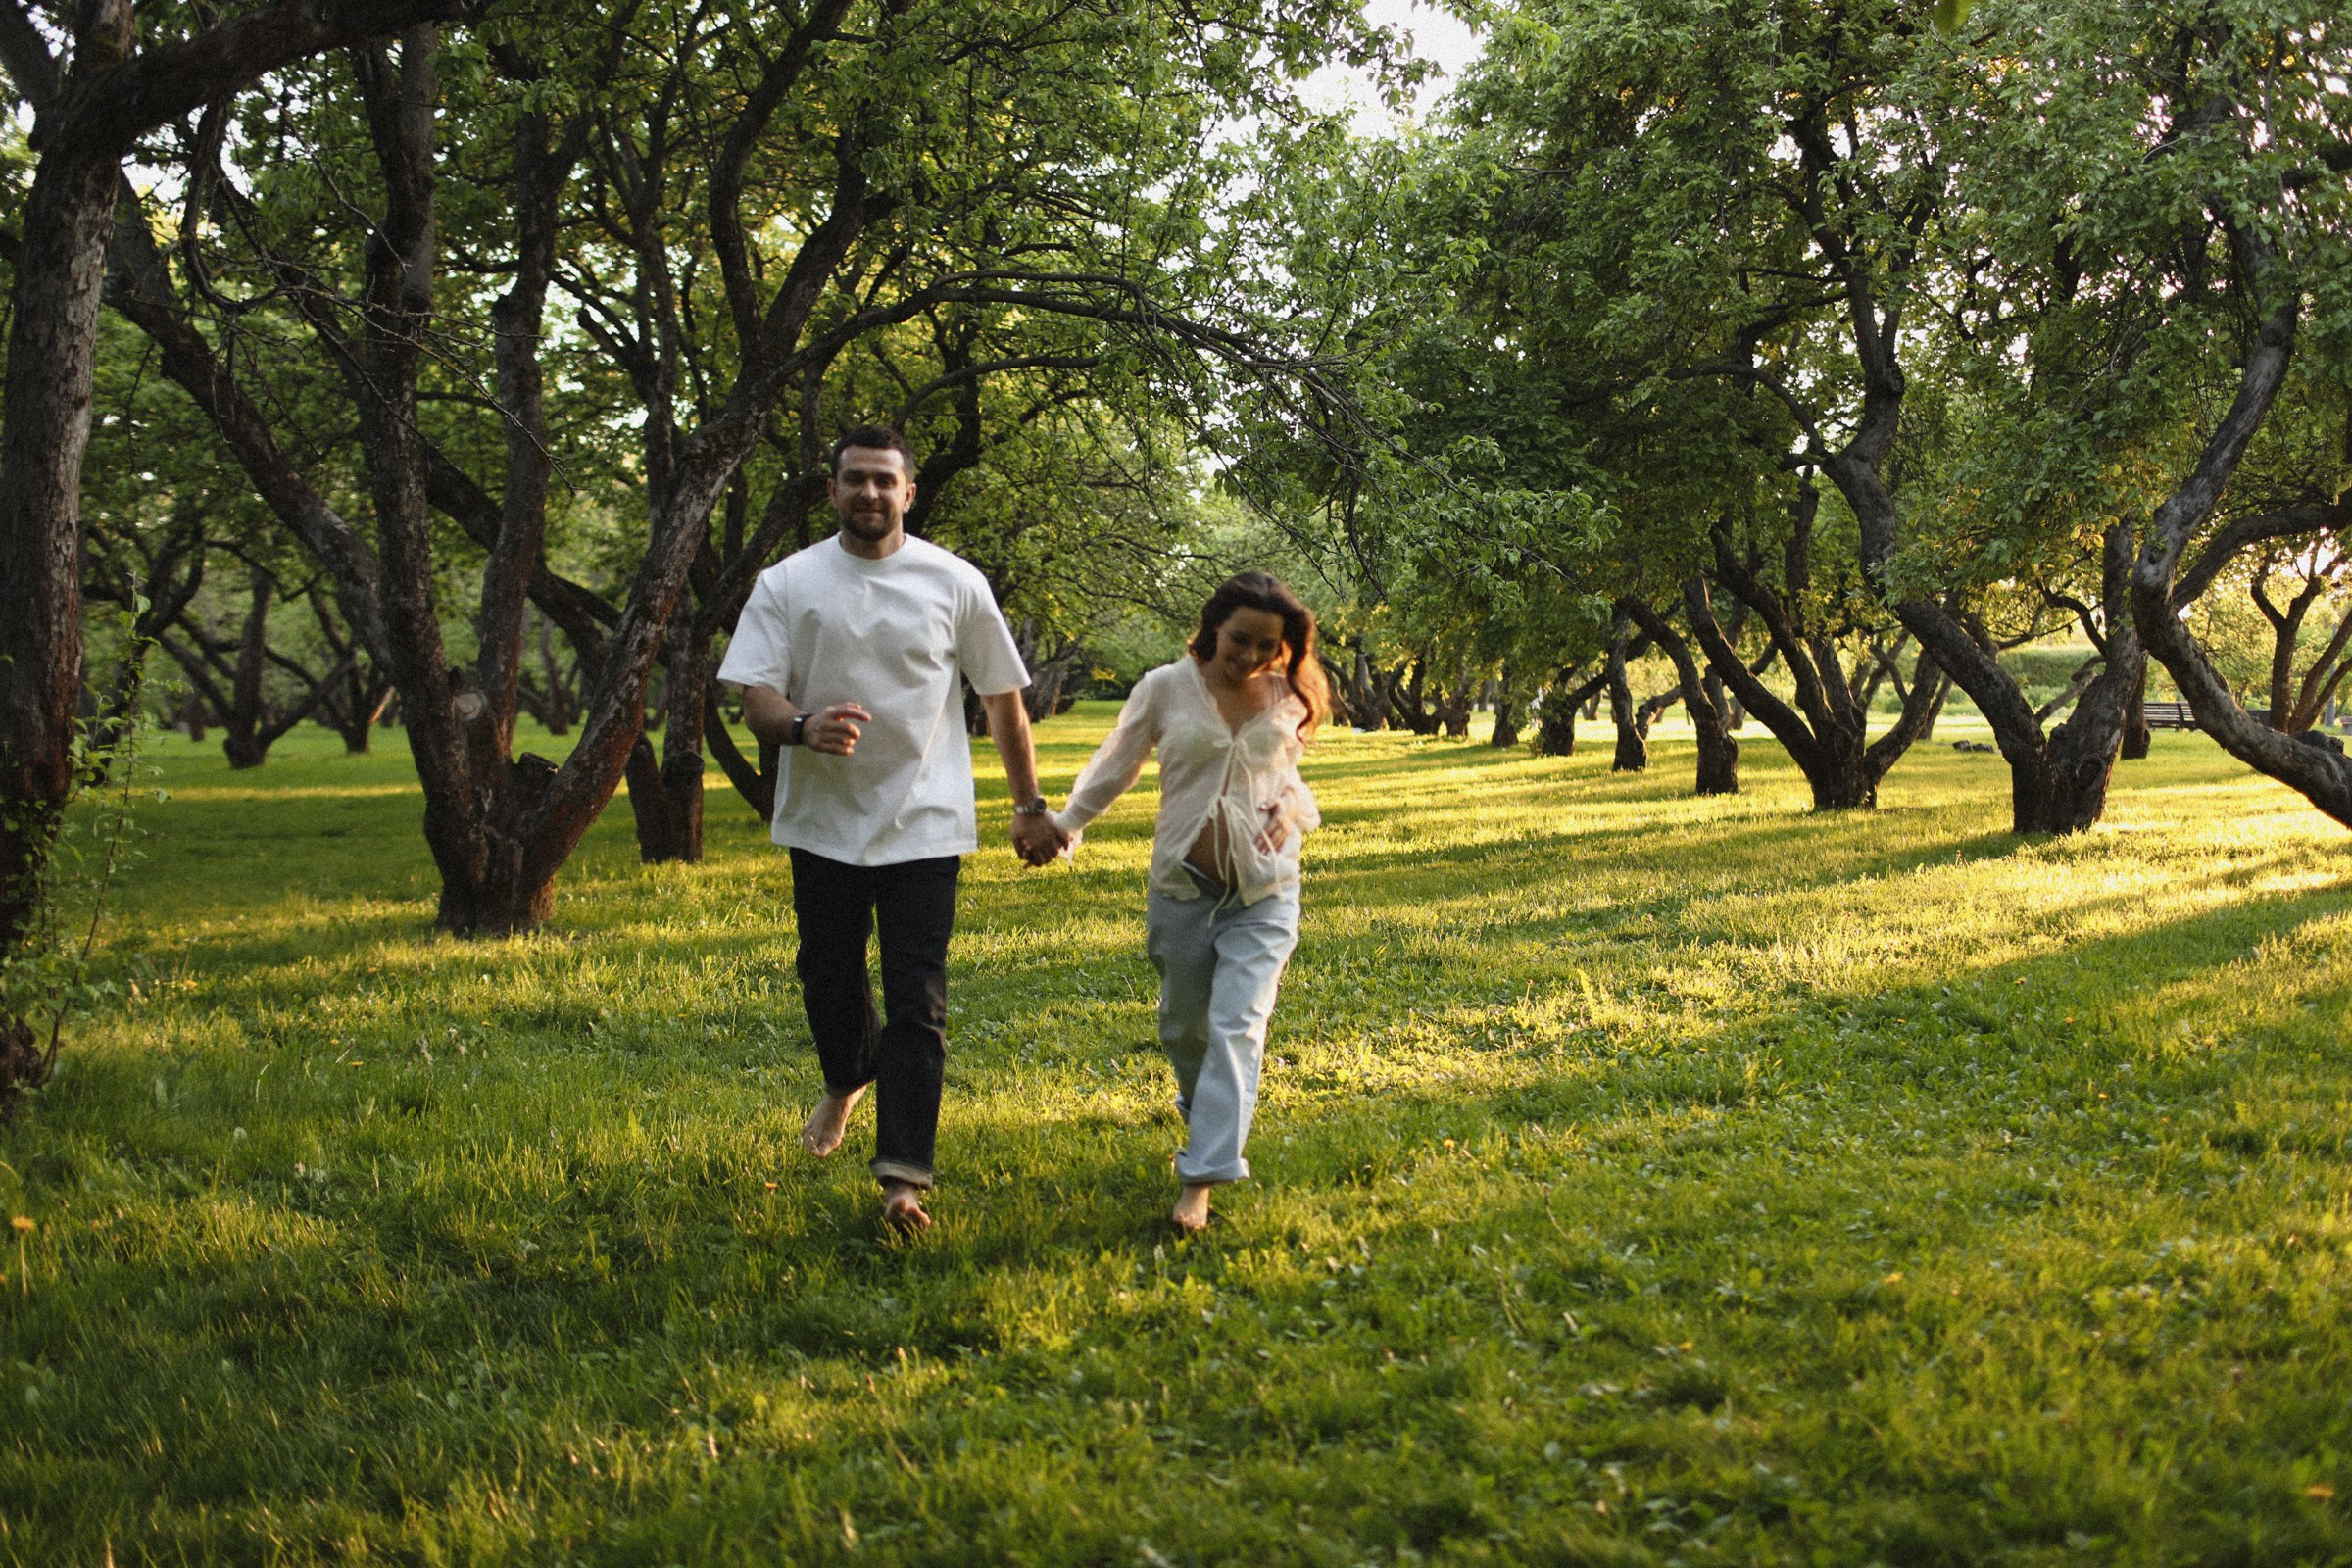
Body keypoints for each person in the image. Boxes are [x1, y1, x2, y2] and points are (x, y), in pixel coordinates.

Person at [718, 424, 1063, 1230]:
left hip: (925, 823)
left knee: (918, 1002)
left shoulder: (954, 582)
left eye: (885, 480)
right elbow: (754, 695)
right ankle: (846, 1080)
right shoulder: (789, 583)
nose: (870, 493)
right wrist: (802, 726)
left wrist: (1028, 803)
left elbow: (1004, 699)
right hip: (822, 824)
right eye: (854, 480)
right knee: (828, 979)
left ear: (909, 491)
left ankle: (902, 1178)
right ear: (832, 490)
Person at [1047, 571, 1326, 1233]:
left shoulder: (1288, 697)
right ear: (1213, 627)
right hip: (1183, 888)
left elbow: (1290, 781)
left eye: (1268, 646)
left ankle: (1199, 1181)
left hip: (1266, 890)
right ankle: (1205, 1113)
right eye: (1241, 639)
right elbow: (1116, 763)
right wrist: (1067, 824)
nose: (1252, 656)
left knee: (1237, 1027)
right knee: (1184, 1026)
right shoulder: (1166, 688)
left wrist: (1291, 809)